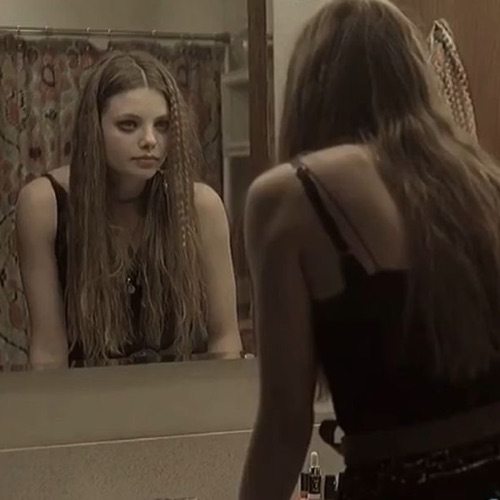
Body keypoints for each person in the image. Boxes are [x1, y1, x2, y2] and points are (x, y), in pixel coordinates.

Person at [239, 0, 500, 498]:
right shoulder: (484, 182)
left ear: (309, 90)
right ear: (416, 77)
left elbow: (284, 425)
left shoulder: (292, 194)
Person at [16, 50, 241, 370]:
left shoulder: (200, 206)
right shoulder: (44, 204)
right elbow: (49, 350)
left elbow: (225, 340)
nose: (150, 140)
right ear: (94, 128)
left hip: (185, 391)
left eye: (162, 125)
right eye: (128, 125)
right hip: (86, 394)